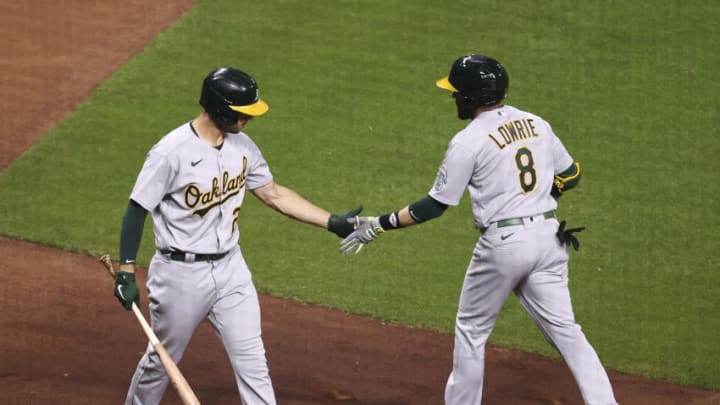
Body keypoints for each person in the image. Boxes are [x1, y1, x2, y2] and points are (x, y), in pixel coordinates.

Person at [340, 54, 617, 405]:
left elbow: (434, 206)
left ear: (470, 97)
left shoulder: (468, 140)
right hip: (549, 239)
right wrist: (543, 194)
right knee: (568, 332)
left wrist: (377, 226)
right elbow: (572, 174)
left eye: (456, 92)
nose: (453, 97)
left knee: (472, 331)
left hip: (505, 244)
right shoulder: (536, 123)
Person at [113, 66, 361, 405]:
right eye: (243, 113)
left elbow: (273, 193)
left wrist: (332, 221)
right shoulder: (171, 152)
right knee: (162, 361)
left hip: (232, 270)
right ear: (221, 109)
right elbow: (136, 209)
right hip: (181, 275)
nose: (248, 120)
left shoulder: (242, 146)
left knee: (253, 360)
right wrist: (126, 269)